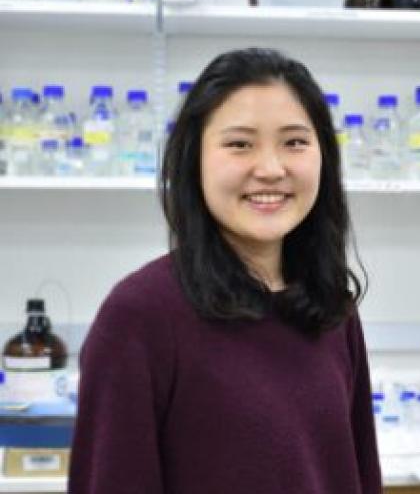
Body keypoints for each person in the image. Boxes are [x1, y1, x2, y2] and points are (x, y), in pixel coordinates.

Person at [68, 47, 382, 494]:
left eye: (294, 142)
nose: (270, 169)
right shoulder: (139, 317)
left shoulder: (330, 307)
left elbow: (360, 476)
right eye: (239, 144)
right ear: (194, 158)